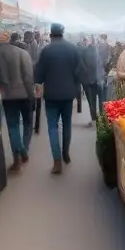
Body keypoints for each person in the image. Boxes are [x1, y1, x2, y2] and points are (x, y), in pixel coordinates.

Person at [33, 23, 85, 175]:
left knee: (52, 127)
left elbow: (38, 74)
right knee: (67, 124)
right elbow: (80, 71)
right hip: (68, 95)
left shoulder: (46, 51)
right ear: (63, 33)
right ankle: (66, 154)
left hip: (51, 96)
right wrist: (76, 86)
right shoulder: (72, 49)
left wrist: (38, 85)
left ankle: (57, 161)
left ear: (50, 34)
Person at [0, 31, 35, 172]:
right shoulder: (23, 54)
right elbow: (28, 78)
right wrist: (32, 96)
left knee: (13, 127)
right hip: (25, 95)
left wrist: (4, 83)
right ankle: (24, 149)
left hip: (8, 96)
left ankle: (18, 158)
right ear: (10, 39)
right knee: (28, 124)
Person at [78, 37, 101, 127]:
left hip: (88, 80)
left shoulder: (85, 51)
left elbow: (82, 65)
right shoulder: (97, 50)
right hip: (96, 79)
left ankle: (94, 120)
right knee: (97, 101)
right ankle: (97, 119)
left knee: (91, 101)